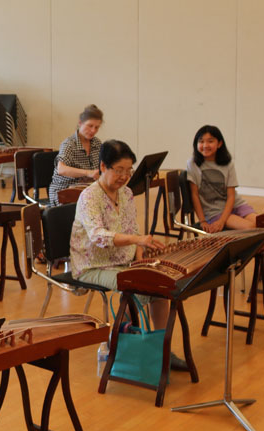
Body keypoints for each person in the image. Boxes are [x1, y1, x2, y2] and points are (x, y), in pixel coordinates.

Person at [69, 140, 186, 370]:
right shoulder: (89, 197)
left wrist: (140, 256)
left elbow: (132, 229)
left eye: (128, 170)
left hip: (123, 260)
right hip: (93, 265)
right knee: (133, 285)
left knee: (160, 285)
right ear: (103, 167)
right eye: (119, 170)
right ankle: (121, 349)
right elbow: (98, 236)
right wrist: (137, 241)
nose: (124, 176)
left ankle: (162, 348)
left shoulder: (127, 193)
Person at [187, 125, 256, 233]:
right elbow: (194, 195)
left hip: (236, 204)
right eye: (201, 141)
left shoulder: (227, 163)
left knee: (263, 225)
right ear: (196, 144)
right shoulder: (192, 164)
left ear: (219, 143)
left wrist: (222, 221)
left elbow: (231, 196)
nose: (205, 145)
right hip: (214, 211)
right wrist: (203, 221)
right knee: (251, 228)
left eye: (210, 141)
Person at [49, 104, 104, 204]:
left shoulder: (97, 143)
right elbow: (61, 169)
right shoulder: (69, 144)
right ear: (80, 123)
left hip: (86, 190)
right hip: (64, 191)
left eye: (97, 127)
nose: (93, 131)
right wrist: (88, 173)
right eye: (90, 126)